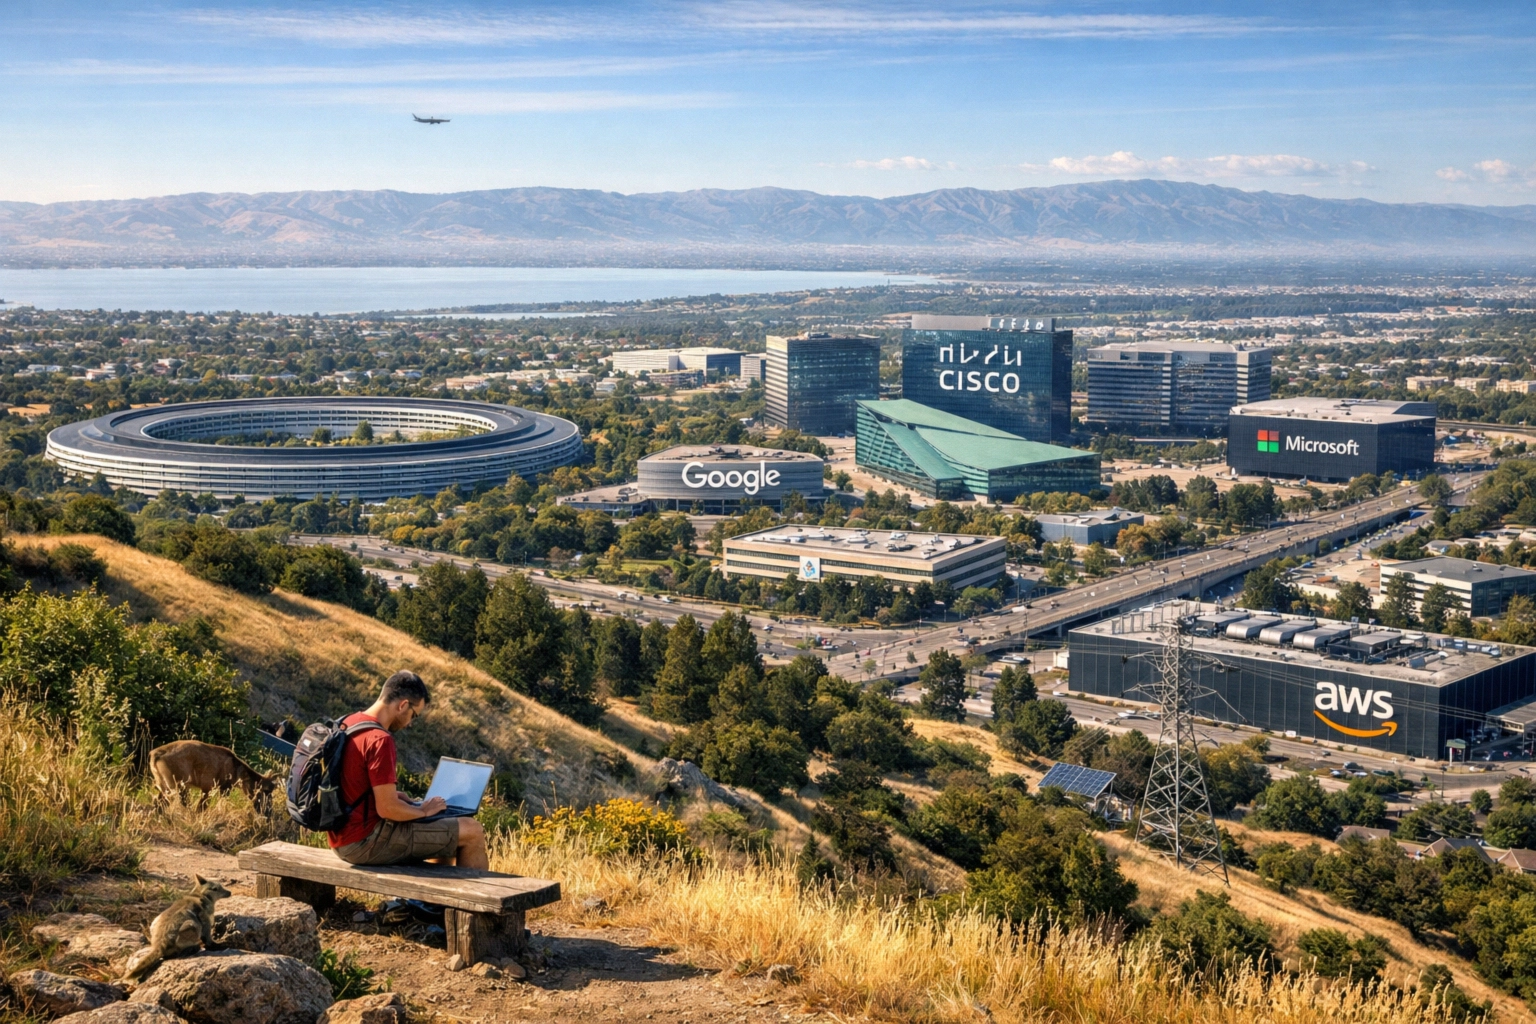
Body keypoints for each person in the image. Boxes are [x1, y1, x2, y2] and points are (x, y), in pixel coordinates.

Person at [327, 670, 488, 869]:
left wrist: (396, 797)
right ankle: (474, 900)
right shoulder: (380, 740)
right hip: (365, 842)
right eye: (414, 715)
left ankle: (435, 899)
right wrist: (423, 810)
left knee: (446, 827)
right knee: (472, 830)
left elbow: (352, 783)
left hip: (341, 838)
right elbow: (388, 809)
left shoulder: (349, 722)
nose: (410, 723)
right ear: (403, 705)